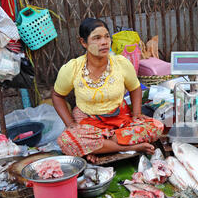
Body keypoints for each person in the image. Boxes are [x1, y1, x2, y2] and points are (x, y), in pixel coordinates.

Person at [52, 18, 164, 163]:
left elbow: (135, 88)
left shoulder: (121, 63)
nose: (104, 42)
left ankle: (101, 147)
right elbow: (57, 96)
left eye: (106, 37)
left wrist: (136, 114)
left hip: (121, 121)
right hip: (89, 123)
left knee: (156, 126)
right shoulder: (72, 68)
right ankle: (131, 147)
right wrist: (70, 124)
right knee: (66, 140)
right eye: (97, 38)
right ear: (83, 42)